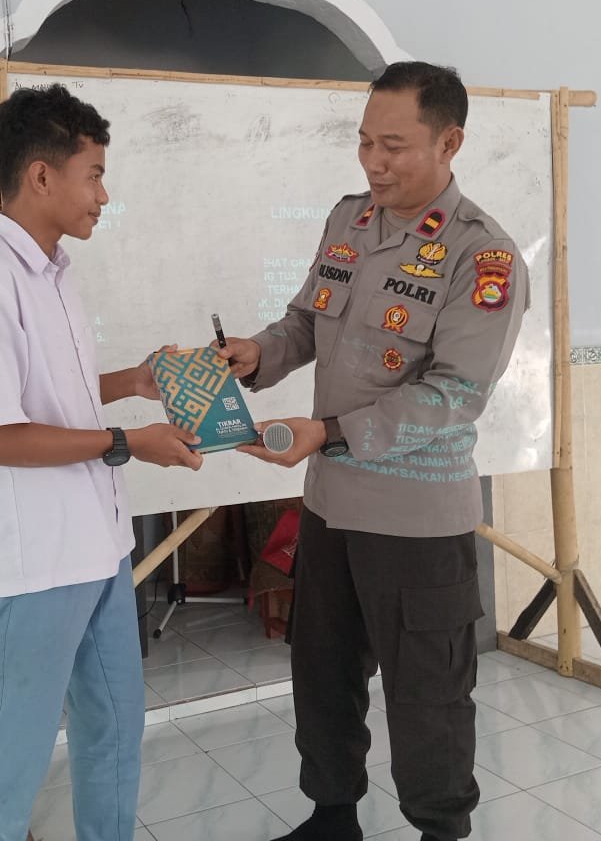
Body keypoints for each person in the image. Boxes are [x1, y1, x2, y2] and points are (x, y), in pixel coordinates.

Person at [218, 62, 529, 841]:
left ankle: (440, 830)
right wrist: (257, 354)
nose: (374, 163)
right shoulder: (350, 221)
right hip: (332, 507)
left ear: (450, 143)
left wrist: (329, 433)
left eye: (394, 146)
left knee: (428, 697)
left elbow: (455, 393)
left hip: (417, 522)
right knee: (322, 675)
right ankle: (332, 819)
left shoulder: (481, 256)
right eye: (364, 143)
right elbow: (304, 322)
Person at [0, 83, 203, 841]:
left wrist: (133, 382)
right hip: (35, 563)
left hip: (99, 546)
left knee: (114, 727)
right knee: (12, 757)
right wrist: (128, 443)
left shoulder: (55, 272)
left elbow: (55, 395)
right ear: (42, 176)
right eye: (94, 176)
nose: (103, 196)